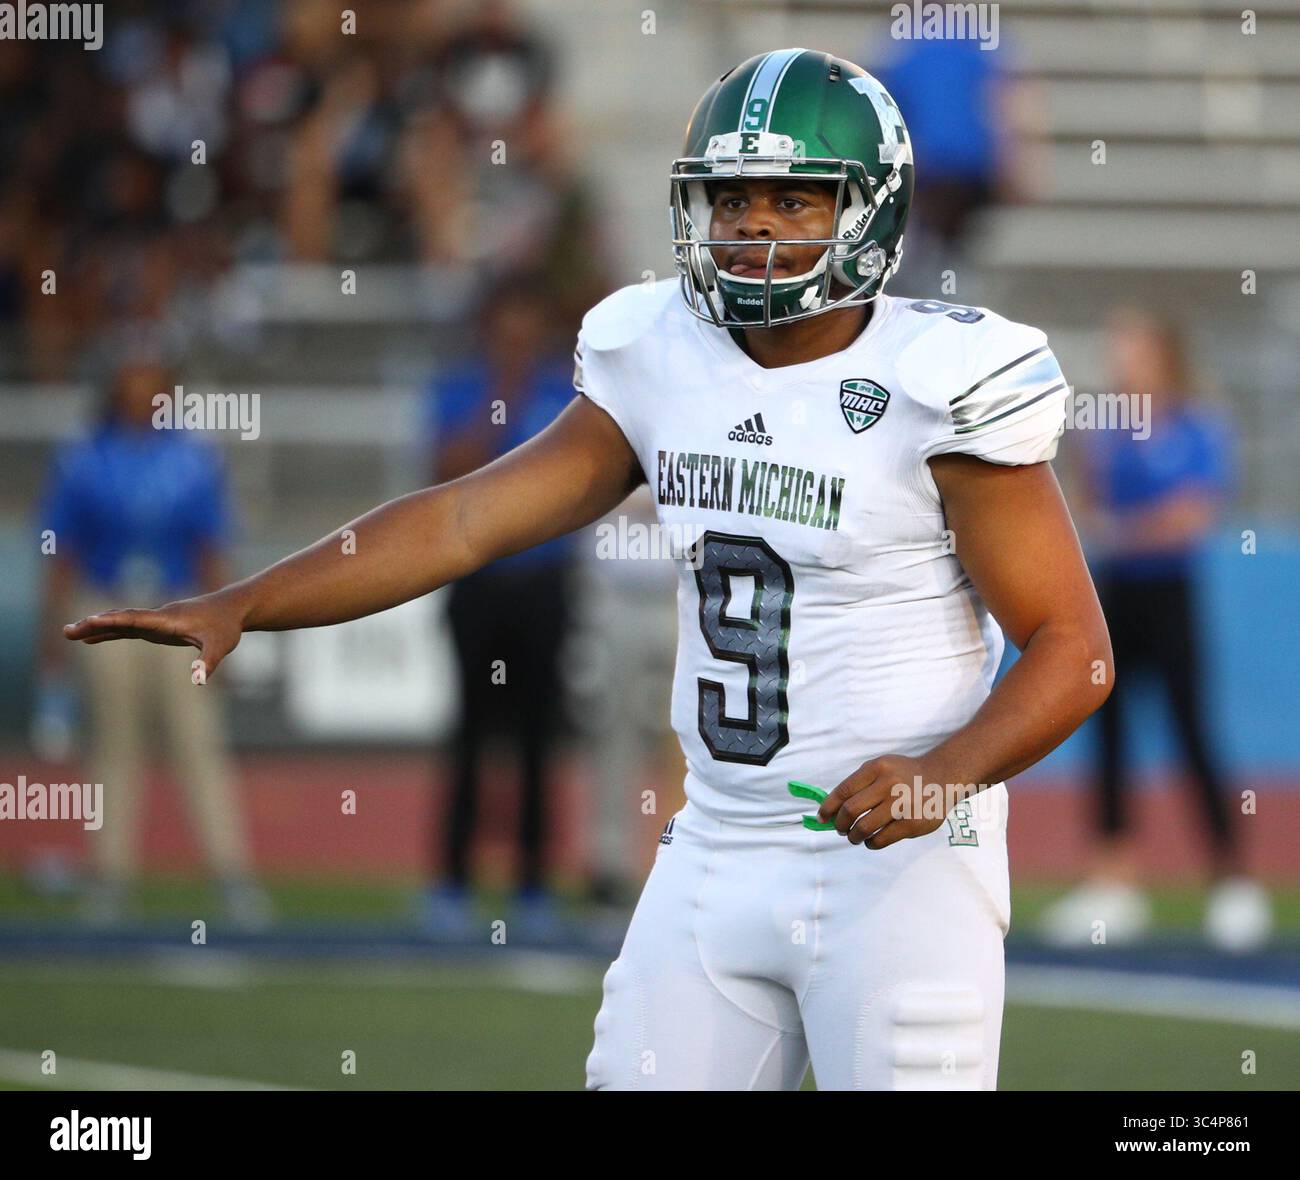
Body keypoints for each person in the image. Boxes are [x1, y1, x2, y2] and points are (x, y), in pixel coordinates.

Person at [65, 50, 1111, 1090]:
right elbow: (467, 517)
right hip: (714, 844)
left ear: (869, 213)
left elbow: (1074, 651)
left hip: (900, 872)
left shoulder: (940, 382)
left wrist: (944, 772)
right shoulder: (659, 351)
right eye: (731, 197)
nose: (752, 227)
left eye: (793, 201)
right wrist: (248, 601)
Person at [1040, 310, 1272, 951]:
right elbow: (1084, 502)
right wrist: (1111, 524)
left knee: (1192, 731)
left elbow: (1193, 514)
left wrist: (1126, 530)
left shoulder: (1199, 423)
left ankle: (1232, 883)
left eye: (1133, 349)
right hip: (1114, 594)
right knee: (1108, 732)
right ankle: (1114, 883)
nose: (1121, 361)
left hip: (1170, 594)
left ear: (1165, 355)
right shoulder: (1106, 428)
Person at [39, 347, 270, 928]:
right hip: (108, 604)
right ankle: (110, 879)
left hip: (179, 605)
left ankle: (231, 876)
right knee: (113, 747)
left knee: (199, 742)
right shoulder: (85, 456)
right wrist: (54, 635)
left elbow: (211, 547)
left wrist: (228, 619)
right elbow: (62, 552)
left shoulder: (193, 457)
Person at [421, 285, 579, 940]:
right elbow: (445, 466)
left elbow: (577, 479)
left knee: (541, 740)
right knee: (469, 735)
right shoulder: (459, 389)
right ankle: (451, 884)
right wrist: (502, 404)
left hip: (543, 581)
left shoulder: (569, 393)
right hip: (479, 581)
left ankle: (533, 885)